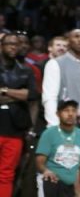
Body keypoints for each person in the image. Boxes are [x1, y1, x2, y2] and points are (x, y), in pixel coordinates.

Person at [0, 30, 39, 197]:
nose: (13, 47)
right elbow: (23, 95)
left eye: (16, 44)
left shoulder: (26, 71)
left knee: (7, 174)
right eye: (9, 44)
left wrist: (5, 91)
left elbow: (31, 95)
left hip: (15, 129)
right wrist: (17, 94)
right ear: (1, 46)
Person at [41, 30, 80, 129]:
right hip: (64, 124)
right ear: (68, 41)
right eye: (76, 36)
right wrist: (54, 125)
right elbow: (49, 97)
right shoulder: (55, 64)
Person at [36, 99, 80, 197]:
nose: (70, 114)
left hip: (70, 184)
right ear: (58, 114)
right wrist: (45, 170)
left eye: (73, 110)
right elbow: (39, 162)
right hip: (52, 182)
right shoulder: (49, 133)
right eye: (66, 110)